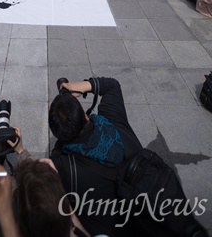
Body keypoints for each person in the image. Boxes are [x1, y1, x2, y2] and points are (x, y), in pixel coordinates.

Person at [49, 76, 142, 236]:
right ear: (85, 116)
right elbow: (112, 86)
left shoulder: (66, 167)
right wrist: (79, 86)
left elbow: (54, 159)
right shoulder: (113, 121)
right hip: (147, 212)